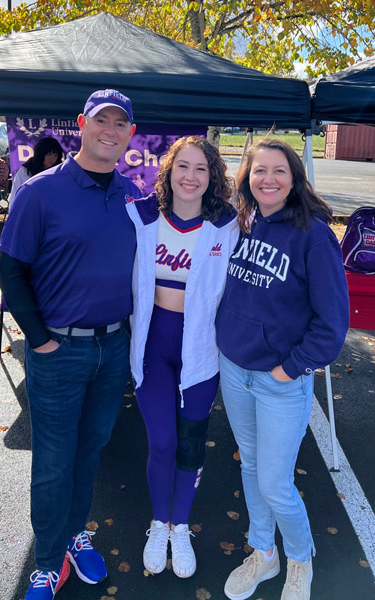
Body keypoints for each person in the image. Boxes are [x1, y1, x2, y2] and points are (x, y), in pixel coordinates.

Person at [0, 89, 141, 600]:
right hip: (58, 351)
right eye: (101, 120)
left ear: (129, 133)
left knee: (90, 451)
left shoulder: (132, 196)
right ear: (82, 123)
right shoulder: (39, 192)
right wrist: (38, 342)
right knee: (54, 461)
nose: (110, 130)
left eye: (120, 123)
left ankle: (75, 534)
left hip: (112, 350)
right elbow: (13, 272)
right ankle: (45, 561)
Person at [215, 138, 349, 600]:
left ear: (294, 178)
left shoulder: (313, 234)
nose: (267, 179)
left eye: (278, 171)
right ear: (246, 178)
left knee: (275, 480)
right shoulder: (244, 224)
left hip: (279, 381)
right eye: (258, 171)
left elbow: (333, 323)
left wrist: (290, 369)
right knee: (251, 466)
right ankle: (263, 554)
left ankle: (300, 557)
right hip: (234, 369)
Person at [126, 136, 238, 578]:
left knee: (190, 445)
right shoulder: (140, 217)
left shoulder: (227, 225)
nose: (190, 177)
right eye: (182, 167)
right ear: (168, 171)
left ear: (212, 177)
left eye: (201, 169)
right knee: (163, 442)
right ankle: (159, 522)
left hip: (200, 352)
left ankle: (180, 525)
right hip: (153, 346)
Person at [10, 137, 64, 207]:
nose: (52, 158)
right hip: (30, 208)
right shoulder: (26, 170)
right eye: (49, 154)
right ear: (41, 153)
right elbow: (16, 194)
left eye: (55, 155)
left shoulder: (59, 171)